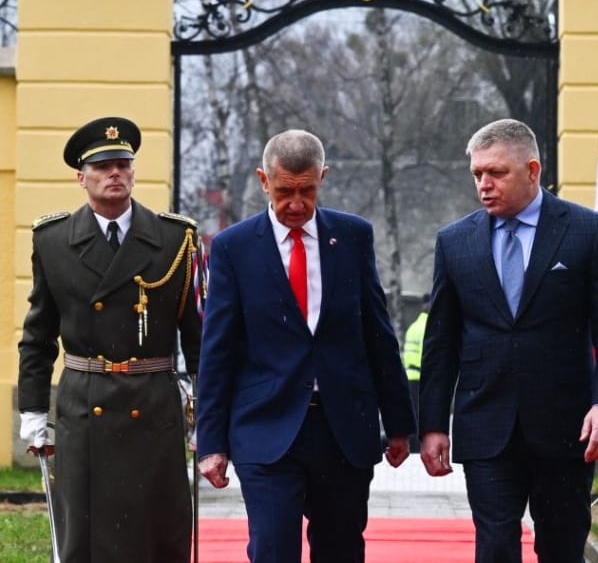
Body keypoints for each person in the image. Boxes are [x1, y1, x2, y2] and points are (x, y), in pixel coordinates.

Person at [196, 129, 416, 563]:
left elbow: (378, 333)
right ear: (263, 181)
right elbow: (217, 349)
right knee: (273, 551)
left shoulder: (353, 237)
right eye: (284, 191)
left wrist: (399, 424)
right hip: (266, 429)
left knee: (341, 551)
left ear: (323, 178)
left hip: (343, 432)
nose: (296, 204)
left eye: (307, 190)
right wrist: (211, 442)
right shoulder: (233, 248)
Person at [418, 118, 598, 562]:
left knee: (560, 547)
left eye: (497, 173)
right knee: (495, 547)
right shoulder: (455, 242)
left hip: (567, 427)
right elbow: (441, 342)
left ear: (532, 170)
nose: (485, 185)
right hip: (486, 425)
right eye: (478, 174)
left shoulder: (587, 233)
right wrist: (434, 424)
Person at [17, 116, 202, 562]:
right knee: (85, 534)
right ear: (82, 178)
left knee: (158, 531)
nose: (115, 173)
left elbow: (198, 336)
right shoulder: (54, 239)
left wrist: (207, 407)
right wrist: (33, 409)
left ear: (134, 172)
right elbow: (38, 336)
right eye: (102, 167)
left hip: (153, 406)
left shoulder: (176, 238)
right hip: (85, 406)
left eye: (123, 164)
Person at [402, 293, 430, 452]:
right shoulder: (429, 326)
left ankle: (413, 445)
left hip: (410, 375)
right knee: (423, 413)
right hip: (422, 376)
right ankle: (419, 446)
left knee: (414, 412)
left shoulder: (413, 326)